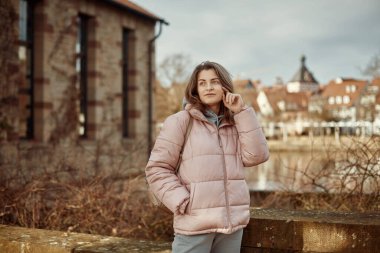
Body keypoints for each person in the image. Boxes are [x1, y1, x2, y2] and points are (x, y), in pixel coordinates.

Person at [145, 61, 269, 253]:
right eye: (202, 83)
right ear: (195, 89)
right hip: (194, 225)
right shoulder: (180, 121)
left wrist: (242, 113)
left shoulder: (235, 122)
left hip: (231, 227)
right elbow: (156, 168)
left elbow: (257, 156)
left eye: (214, 81)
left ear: (225, 87)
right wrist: (181, 200)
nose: (209, 87)